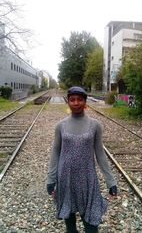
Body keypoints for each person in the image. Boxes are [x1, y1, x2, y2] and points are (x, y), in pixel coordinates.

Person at [47, 86, 117, 233]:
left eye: (79, 99)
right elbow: (55, 152)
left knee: (91, 225)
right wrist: (51, 179)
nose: (76, 103)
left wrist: (110, 181)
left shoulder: (95, 125)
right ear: (68, 102)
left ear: (85, 102)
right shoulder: (61, 126)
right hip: (66, 178)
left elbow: (100, 154)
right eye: (72, 100)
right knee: (70, 223)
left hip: (87, 179)